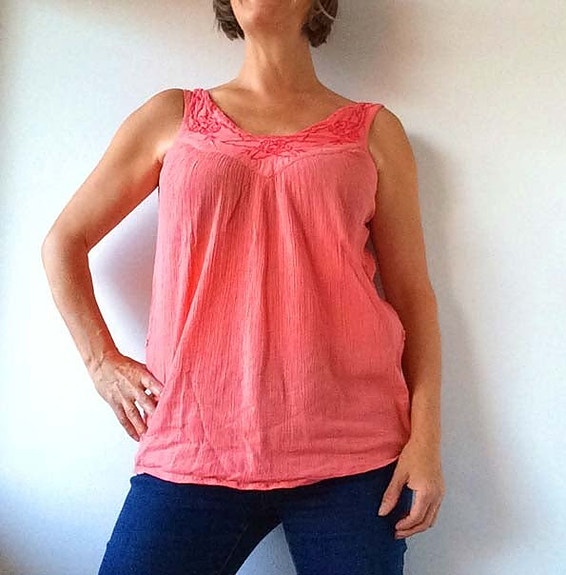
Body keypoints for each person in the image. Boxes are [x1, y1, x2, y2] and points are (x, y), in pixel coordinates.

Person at [41, 1, 445, 573]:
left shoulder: (374, 131)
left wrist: (426, 439)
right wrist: (101, 363)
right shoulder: (173, 116)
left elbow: (412, 297)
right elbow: (64, 242)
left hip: (353, 454)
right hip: (193, 443)